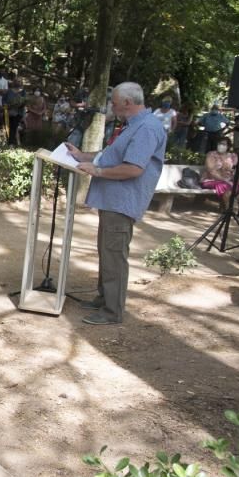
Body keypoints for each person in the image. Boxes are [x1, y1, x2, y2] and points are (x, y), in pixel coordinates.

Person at [65, 81, 166, 326]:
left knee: (114, 256)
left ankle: (112, 311)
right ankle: (104, 298)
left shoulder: (146, 128)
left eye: (115, 102)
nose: (112, 106)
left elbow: (133, 168)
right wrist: (82, 156)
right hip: (112, 201)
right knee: (106, 251)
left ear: (127, 103)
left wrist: (96, 171)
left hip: (123, 202)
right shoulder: (133, 125)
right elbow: (111, 155)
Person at [202, 137, 239, 216]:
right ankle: (227, 209)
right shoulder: (211, 154)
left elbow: (234, 170)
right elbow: (211, 171)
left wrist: (233, 177)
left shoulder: (232, 156)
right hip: (211, 180)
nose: (221, 146)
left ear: (228, 146)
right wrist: (224, 179)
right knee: (227, 186)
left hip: (228, 179)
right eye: (219, 144)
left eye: (223, 144)